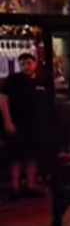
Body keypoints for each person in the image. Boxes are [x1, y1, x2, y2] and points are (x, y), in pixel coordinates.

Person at [1, 52, 51, 199]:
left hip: (34, 125)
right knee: (16, 156)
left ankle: (31, 185)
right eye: (22, 64)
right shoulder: (13, 79)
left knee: (32, 156)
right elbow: (2, 100)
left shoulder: (40, 81)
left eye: (29, 63)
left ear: (35, 64)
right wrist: (7, 121)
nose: (26, 66)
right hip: (17, 123)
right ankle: (15, 188)